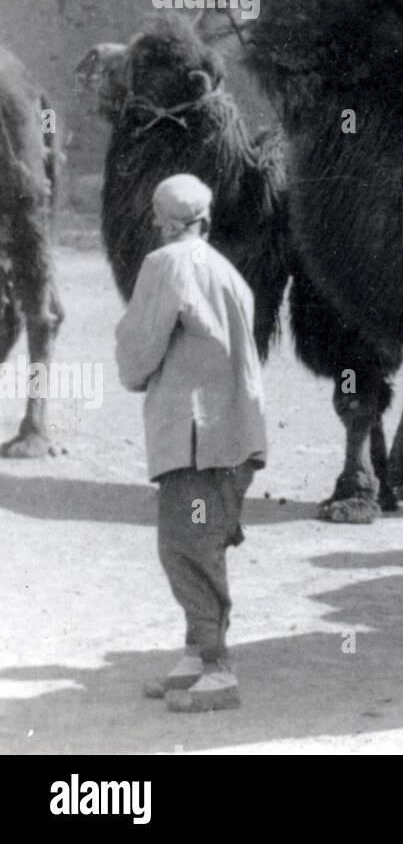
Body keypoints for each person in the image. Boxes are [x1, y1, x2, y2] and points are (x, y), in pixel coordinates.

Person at [115, 173, 266, 713]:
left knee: (186, 547)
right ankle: (195, 654)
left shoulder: (165, 266)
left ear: (165, 220)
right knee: (203, 542)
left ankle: (217, 669)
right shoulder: (227, 271)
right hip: (232, 437)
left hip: (195, 441)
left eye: (157, 217)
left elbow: (136, 357)